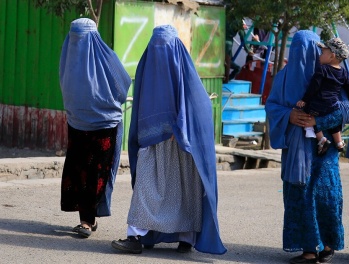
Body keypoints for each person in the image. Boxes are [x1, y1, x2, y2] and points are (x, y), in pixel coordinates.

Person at [111, 25, 227, 255]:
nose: (159, 51)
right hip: (152, 140)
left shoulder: (186, 74)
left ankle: (186, 238)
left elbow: (199, 105)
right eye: (156, 46)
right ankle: (135, 235)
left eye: (164, 46)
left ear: (176, 49)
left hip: (182, 144)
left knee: (185, 191)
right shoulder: (148, 66)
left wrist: (182, 126)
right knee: (146, 187)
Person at [265, 30, 349, 264]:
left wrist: (317, 121)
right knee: (300, 198)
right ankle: (308, 249)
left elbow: (347, 109)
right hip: (295, 152)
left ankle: (327, 246)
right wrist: (289, 115)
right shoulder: (283, 77)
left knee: (326, 198)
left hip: (324, 155)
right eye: (297, 51)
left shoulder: (331, 77)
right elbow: (271, 106)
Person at [59, 18, 131, 238]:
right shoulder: (68, 58)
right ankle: (87, 218)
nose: (77, 42)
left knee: (96, 172)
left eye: (82, 37)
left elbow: (122, 85)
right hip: (78, 123)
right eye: (75, 37)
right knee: (80, 170)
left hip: (105, 125)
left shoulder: (106, 58)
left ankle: (88, 220)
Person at [296, 37, 349, 156]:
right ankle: (339, 142)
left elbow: (314, 87)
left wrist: (304, 100)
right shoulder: (344, 72)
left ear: (332, 56)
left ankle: (321, 139)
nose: (319, 55)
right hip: (333, 105)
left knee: (307, 114)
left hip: (319, 104)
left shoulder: (322, 69)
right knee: (334, 124)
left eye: (322, 53)